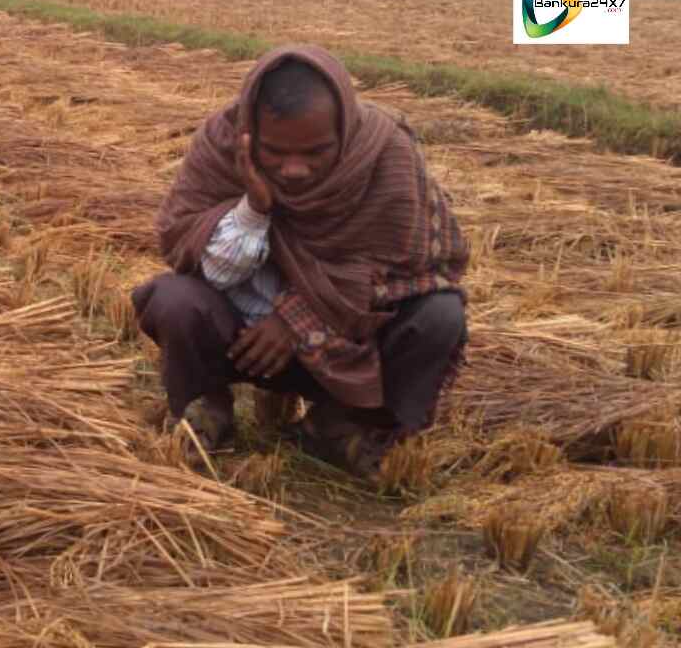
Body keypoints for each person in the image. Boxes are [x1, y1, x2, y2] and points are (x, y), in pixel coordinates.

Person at [130, 45, 470, 480]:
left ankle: (346, 427)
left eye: (316, 153)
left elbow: (414, 268)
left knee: (440, 314)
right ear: (250, 134)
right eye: (275, 152)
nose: (295, 170)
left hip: (348, 345)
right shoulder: (222, 143)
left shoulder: (385, 154)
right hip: (244, 343)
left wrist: (297, 319)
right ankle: (206, 409)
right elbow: (185, 244)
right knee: (173, 298)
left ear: (343, 132)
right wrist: (254, 207)